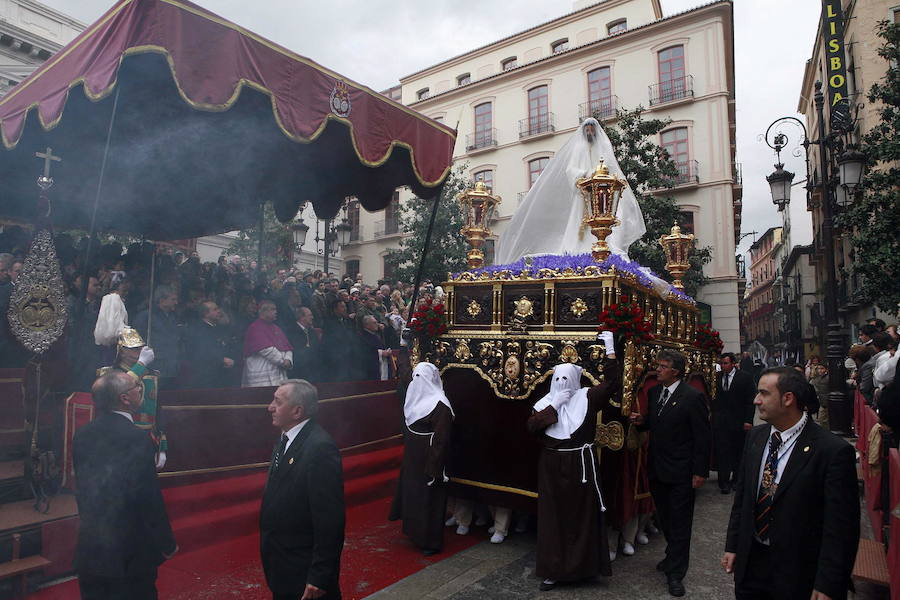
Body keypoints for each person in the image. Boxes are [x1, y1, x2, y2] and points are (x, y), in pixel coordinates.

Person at [722, 367, 859, 599]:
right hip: (751, 565)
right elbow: (743, 499)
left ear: (788, 398)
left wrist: (828, 583)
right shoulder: (756, 437)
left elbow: (841, 527)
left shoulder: (832, 451)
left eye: (764, 394)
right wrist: (734, 545)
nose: (756, 400)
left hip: (798, 572)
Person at [527, 331, 619, 592]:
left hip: (581, 466)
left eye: (568, 378)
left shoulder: (588, 397)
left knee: (583, 515)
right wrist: (554, 406)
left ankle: (585, 568)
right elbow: (532, 427)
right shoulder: (545, 402)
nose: (563, 383)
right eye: (559, 378)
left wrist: (610, 349)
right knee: (553, 518)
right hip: (552, 467)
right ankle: (553, 570)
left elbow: (613, 383)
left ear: (577, 379)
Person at [73, 370, 177, 599]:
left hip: (91, 546)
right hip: (129, 551)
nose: (141, 390)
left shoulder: (81, 435)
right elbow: (148, 498)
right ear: (124, 398)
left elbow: (83, 490)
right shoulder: (137, 438)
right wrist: (166, 542)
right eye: (136, 388)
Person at [497, 117, 646, 263]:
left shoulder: (604, 148)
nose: (589, 132)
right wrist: (586, 175)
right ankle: (582, 250)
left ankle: (606, 246)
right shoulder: (579, 148)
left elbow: (613, 169)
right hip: (584, 194)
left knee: (607, 221)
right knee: (580, 226)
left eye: (592, 130)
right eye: (587, 129)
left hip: (603, 195)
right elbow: (571, 170)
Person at [630, 349, 710, 597]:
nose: (658, 370)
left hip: (682, 472)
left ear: (675, 371)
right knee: (665, 519)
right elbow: (655, 421)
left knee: (680, 523)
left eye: (663, 366)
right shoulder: (655, 393)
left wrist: (700, 472)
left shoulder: (692, 397)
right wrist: (640, 420)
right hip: (658, 468)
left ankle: (676, 573)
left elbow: (702, 437)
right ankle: (671, 555)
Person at [260, 379, 344, 600]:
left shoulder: (320, 449)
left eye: (277, 402)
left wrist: (320, 576)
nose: (270, 407)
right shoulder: (285, 439)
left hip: (304, 570)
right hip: (283, 566)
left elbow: (330, 520)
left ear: (297, 411)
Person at [389, 362, 454, 555]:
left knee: (429, 499)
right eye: (415, 376)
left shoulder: (440, 405)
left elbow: (441, 440)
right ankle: (414, 533)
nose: (417, 381)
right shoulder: (413, 397)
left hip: (429, 459)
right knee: (414, 496)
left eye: (421, 377)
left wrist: (434, 466)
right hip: (413, 459)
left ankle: (430, 542)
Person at [98, 327, 168, 470]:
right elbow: (117, 387)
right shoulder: (108, 374)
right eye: (134, 349)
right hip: (119, 438)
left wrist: (162, 446)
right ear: (122, 351)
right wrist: (141, 364)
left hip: (147, 438)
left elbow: (158, 413)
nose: (139, 352)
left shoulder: (152, 375)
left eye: (140, 348)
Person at [714, 353, 756, 494]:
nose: (723, 366)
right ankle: (724, 482)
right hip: (722, 422)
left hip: (739, 421)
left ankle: (737, 480)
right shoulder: (717, 377)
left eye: (726, 363)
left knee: (738, 451)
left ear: (733, 363)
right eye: (722, 363)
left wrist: (748, 420)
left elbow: (750, 401)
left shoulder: (744, 377)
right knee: (722, 452)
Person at [133, 286, 181, 389]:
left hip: (171, 364)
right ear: (162, 300)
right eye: (173, 299)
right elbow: (137, 339)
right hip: (155, 364)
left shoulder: (173, 317)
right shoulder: (146, 316)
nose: (176, 303)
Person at [183, 301, 235, 389]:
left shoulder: (217, 328)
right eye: (215, 309)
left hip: (219, 375)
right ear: (205, 314)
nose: (219, 311)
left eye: (218, 308)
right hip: (204, 377)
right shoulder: (198, 330)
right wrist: (221, 360)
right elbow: (203, 350)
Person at [242, 300, 293, 387]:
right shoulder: (255, 327)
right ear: (264, 311)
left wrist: (288, 360)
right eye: (273, 309)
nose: (276, 312)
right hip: (261, 374)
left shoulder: (276, 328)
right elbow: (265, 349)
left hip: (278, 372)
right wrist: (282, 361)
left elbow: (287, 347)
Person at [286, 306, 321, 382]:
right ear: (302, 317)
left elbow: (317, 349)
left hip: (313, 372)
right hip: (298, 373)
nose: (312, 317)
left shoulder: (312, 332)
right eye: (310, 315)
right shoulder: (291, 331)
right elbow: (297, 351)